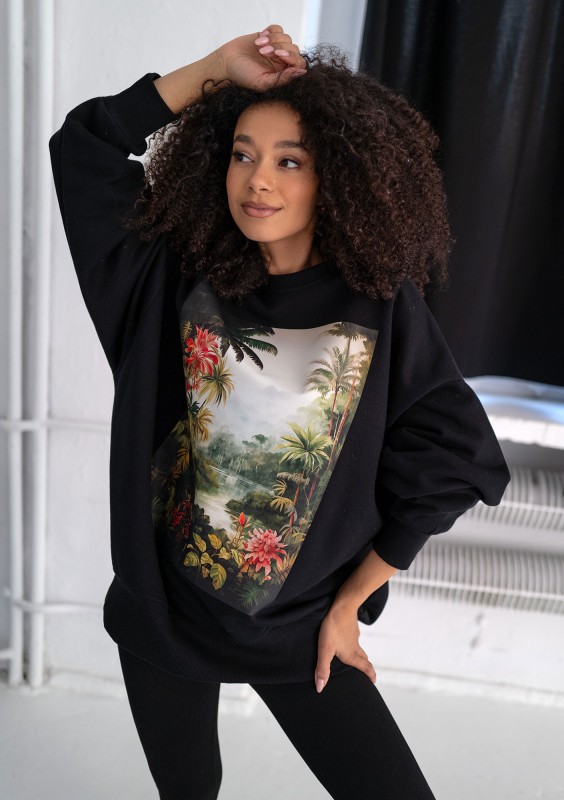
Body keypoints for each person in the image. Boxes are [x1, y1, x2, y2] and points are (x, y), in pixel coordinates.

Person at [49, 23, 510, 800]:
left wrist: (349, 605)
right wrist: (216, 70)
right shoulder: (171, 275)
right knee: (189, 790)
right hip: (165, 616)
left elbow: (454, 458)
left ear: (339, 177)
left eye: (290, 161)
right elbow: (85, 148)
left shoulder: (380, 306)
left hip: (302, 630)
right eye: (243, 154)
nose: (257, 180)